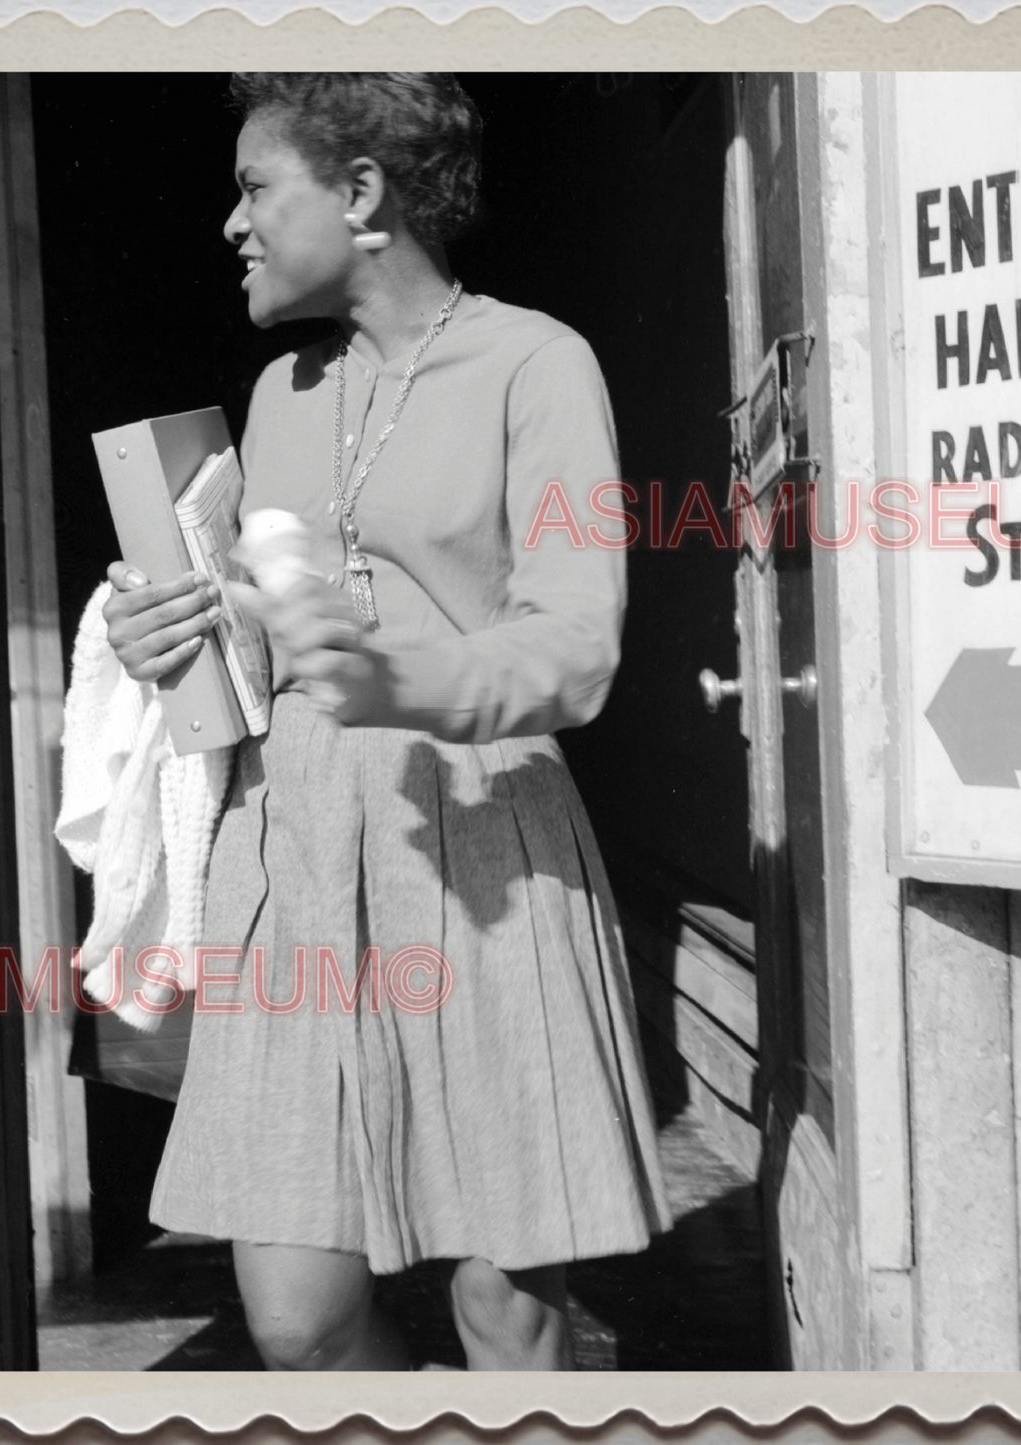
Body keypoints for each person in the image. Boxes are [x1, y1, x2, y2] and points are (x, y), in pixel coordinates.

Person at [100, 72, 670, 1371]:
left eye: (256, 187)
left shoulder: (541, 362)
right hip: (294, 851)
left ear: (361, 195)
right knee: (296, 1323)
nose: (232, 224)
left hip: (480, 850)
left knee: (500, 1311)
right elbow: (266, 618)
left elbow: (580, 641)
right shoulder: (280, 394)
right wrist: (170, 638)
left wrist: (396, 681)